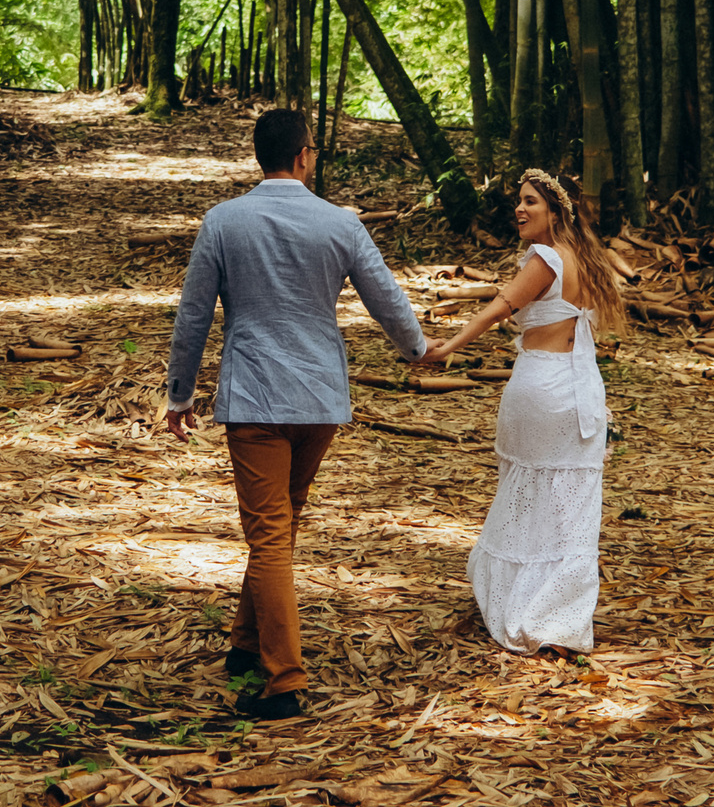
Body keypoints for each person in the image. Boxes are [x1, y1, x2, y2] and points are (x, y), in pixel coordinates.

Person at [163, 107, 432, 719]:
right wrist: (417, 349)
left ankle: (284, 680)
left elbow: (194, 314)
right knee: (280, 525)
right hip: (318, 398)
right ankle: (245, 644)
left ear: (260, 155)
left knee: (268, 533)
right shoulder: (340, 222)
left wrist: (180, 394)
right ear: (305, 155)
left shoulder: (224, 221)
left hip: (256, 395)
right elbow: (386, 297)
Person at [416, 168, 625, 656]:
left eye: (531, 201)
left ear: (555, 211)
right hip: (578, 389)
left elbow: (498, 309)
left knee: (526, 490)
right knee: (567, 499)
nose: (520, 208)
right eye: (520, 200)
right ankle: (560, 612)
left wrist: (446, 347)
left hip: (542, 386)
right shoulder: (584, 259)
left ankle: (528, 606)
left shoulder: (546, 258)